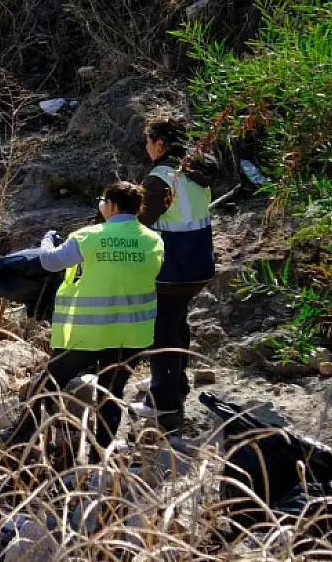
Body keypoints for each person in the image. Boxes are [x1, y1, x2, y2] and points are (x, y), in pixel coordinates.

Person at [3, 182, 165, 460]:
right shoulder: (154, 240)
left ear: (112, 205)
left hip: (91, 333)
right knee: (111, 393)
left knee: (48, 382)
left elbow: (51, 262)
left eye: (104, 200)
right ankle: (99, 459)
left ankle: (19, 437)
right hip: (132, 336)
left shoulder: (90, 236)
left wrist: (47, 240)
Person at [139, 116, 219, 434]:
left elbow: (139, 222)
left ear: (160, 143)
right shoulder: (196, 174)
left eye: (148, 141)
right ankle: (176, 388)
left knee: (161, 336)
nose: (146, 147)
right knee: (176, 326)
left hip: (172, 271)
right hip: (197, 267)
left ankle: (166, 409)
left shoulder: (161, 178)